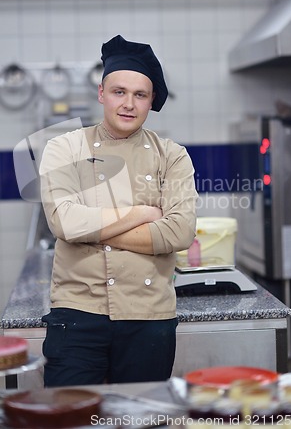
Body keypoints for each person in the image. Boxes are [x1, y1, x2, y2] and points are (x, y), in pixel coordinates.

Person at [39, 34, 197, 386]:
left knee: (141, 420)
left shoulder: (172, 155)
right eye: (119, 92)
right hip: (76, 314)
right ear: (101, 94)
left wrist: (92, 229)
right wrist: (143, 214)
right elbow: (64, 222)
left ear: (151, 99)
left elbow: (179, 232)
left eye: (140, 94)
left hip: (149, 319)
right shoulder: (63, 147)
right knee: (71, 419)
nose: (128, 103)